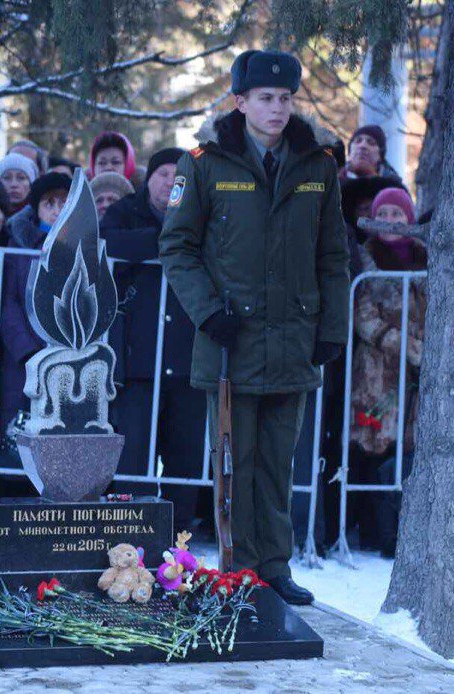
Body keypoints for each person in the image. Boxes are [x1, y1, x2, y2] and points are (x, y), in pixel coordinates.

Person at [158, 49, 349, 604]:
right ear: (240, 102)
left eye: (286, 98)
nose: (277, 108)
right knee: (233, 463)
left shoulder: (317, 164)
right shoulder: (205, 160)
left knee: (278, 462)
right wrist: (207, 311)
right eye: (265, 98)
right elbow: (176, 246)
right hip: (230, 342)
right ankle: (236, 567)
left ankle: (275, 567)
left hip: (293, 340)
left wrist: (331, 326)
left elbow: (333, 256)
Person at [100, 146, 206, 531]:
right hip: (137, 359)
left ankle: (179, 542)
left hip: (189, 359)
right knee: (133, 458)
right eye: (163, 173)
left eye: (179, 176)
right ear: (149, 178)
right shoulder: (124, 211)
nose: (170, 182)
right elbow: (108, 244)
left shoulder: (205, 214)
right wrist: (171, 237)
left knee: (185, 458)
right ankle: (130, 534)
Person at [347, 187, 426, 557]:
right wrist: (401, 343)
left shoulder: (428, 258)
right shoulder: (364, 260)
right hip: (377, 374)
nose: (392, 221)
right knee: (374, 445)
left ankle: (407, 531)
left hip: (419, 372)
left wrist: (423, 349)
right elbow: (362, 314)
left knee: (411, 449)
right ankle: (377, 532)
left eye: (399, 214)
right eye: (385, 213)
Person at [0, 172, 71, 492]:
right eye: (49, 203)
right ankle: (15, 488)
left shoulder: (84, 246)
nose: (56, 210)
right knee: (20, 425)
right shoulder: (19, 246)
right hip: (26, 356)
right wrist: (25, 348)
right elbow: (8, 301)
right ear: (36, 209)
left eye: (64, 203)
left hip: (69, 355)